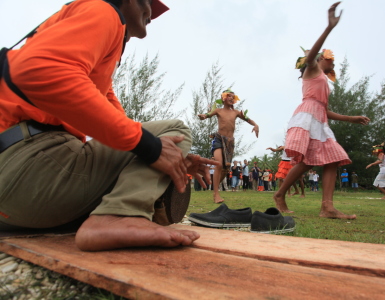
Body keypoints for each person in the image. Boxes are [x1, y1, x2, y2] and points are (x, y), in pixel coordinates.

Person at [0, 0, 220, 252]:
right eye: (146, 2)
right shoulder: (102, 9)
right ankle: (122, 216)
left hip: (19, 201)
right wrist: (154, 147)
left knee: (156, 144)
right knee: (177, 131)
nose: (150, 12)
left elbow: (124, 129)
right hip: (26, 171)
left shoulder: (96, 67)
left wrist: (170, 157)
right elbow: (37, 71)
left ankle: (123, 213)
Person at [273, 2, 370, 218]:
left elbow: (324, 110)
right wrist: (329, 28)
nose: (333, 62)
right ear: (321, 59)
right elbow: (310, 57)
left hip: (319, 119)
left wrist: (350, 119)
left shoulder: (324, 81)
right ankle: (281, 195)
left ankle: (326, 207)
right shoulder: (313, 69)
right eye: (330, 58)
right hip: (307, 118)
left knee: (329, 158)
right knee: (314, 160)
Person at [198, 89, 259, 203]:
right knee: (218, 164)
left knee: (226, 169)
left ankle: (214, 187)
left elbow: (247, 119)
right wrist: (203, 116)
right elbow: (207, 114)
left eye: (233, 96)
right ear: (223, 98)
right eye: (229, 96)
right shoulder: (218, 111)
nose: (231, 98)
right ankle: (216, 194)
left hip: (230, 142)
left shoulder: (236, 112)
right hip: (219, 139)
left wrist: (255, 125)